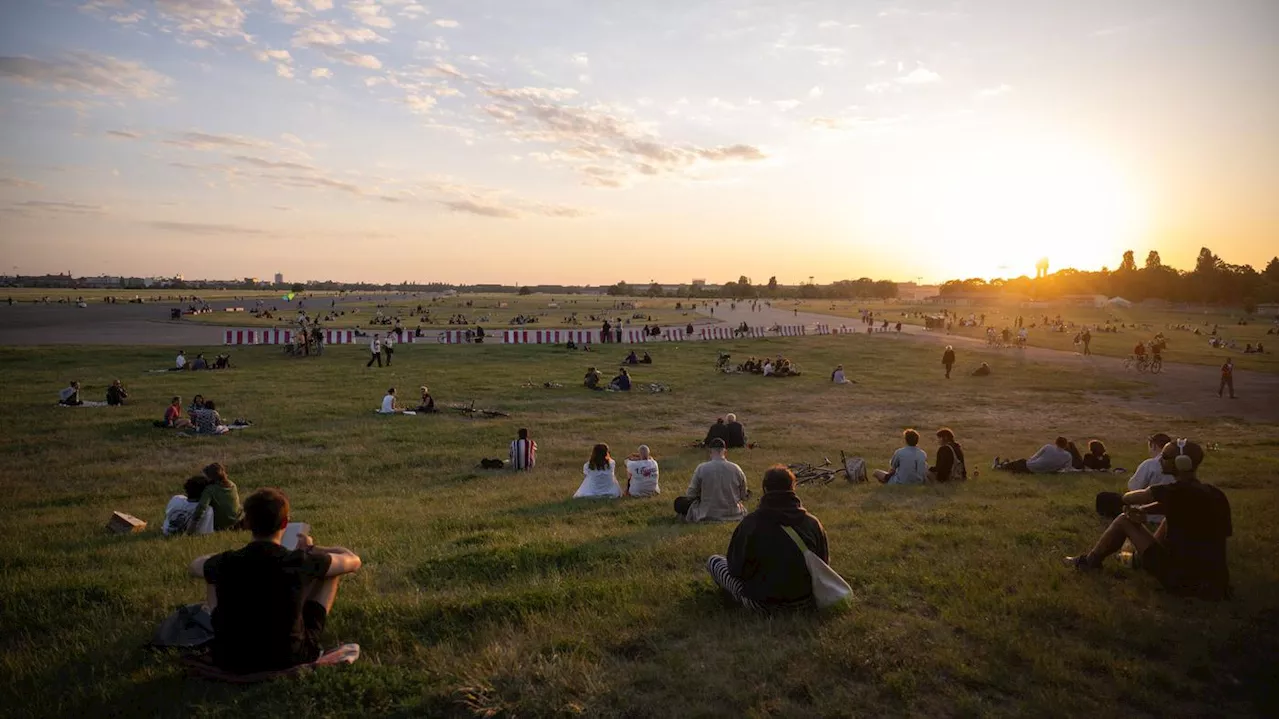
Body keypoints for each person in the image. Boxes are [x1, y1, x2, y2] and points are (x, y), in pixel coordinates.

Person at [188, 488, 362, 674]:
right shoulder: (300, 560)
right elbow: (352, 560)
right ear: (285, 522)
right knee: (330, 571)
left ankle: (225, 634)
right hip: (290, 657)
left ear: (247, 522)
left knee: (212, 575)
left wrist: (232, 555)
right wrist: (312, 549)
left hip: (231, 658)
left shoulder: (228, 561)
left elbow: (195, 566)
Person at [1065, 440, 1232, 600]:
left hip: (1182, 582)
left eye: (1165, 457)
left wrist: (1123, 500)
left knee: (1124, 520)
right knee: (1168, 520)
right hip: (1215, 584)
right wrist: (1144, 511)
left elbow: (1133, 497)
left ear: (1181, 463)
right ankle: (1138, 561)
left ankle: (1089, 562)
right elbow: (1175, 508)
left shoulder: (1174, 491)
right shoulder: (1214, 493)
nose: (1160, 459)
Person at [705, 465, 828, 613]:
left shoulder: (751, 523)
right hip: (804, 601)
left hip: (761, 602)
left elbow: (735, 568)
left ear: (765, 489)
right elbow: (823, 563)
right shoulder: (813, 523)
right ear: (793, 488)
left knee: (715, 562)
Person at [1096, 433, 1173, 521]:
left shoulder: (1150, 464)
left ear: (1154, 446)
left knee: (1103, 497)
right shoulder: (1178, 466)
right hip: (1171, 512)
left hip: (1147, 512)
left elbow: (1134, 487)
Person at [674, 438, 748, 522]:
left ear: (710, 452)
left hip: (707, 513)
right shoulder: (736, 469)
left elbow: (691, 494)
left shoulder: (702, 468)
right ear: (725, 452)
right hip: (734, 513)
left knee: (679, 502)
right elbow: (744, 496)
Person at [189, 462, 243, 533]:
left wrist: (192, 525)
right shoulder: (233, 485)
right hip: (234, 521)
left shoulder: (210, 490)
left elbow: (202, 507)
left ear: (210, 477)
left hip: (219, 525)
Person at [994, 437, 1073, 474]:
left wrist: (1030, 461)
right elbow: (1067, 469)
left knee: (1020, 462)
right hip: (1046, 472)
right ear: (1065, 445)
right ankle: (1005, 464)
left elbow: (1036, 456)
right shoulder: (1068, 456)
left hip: (1032, 467)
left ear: (1056, 442)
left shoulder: (1048, 447)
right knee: (1017, 466)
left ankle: (999, 466)